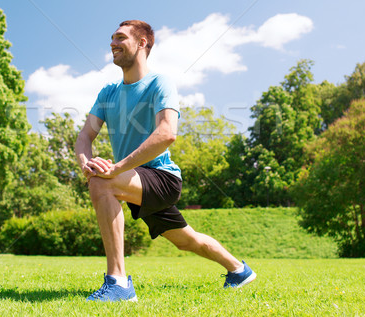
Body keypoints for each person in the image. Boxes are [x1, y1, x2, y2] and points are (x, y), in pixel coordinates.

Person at [75, 20, 256, 302]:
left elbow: (167, 133)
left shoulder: (160, 83)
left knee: (103, 183)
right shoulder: (108, 93)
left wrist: (116, 169)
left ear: (143, 43)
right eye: (111, 37)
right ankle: (239, 270)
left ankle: (118, 284)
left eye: (120, 37)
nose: (112, 43)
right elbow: (85, 135)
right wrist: (86, 162)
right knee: (187, 240)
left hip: (162, 178)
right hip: (133, 179)